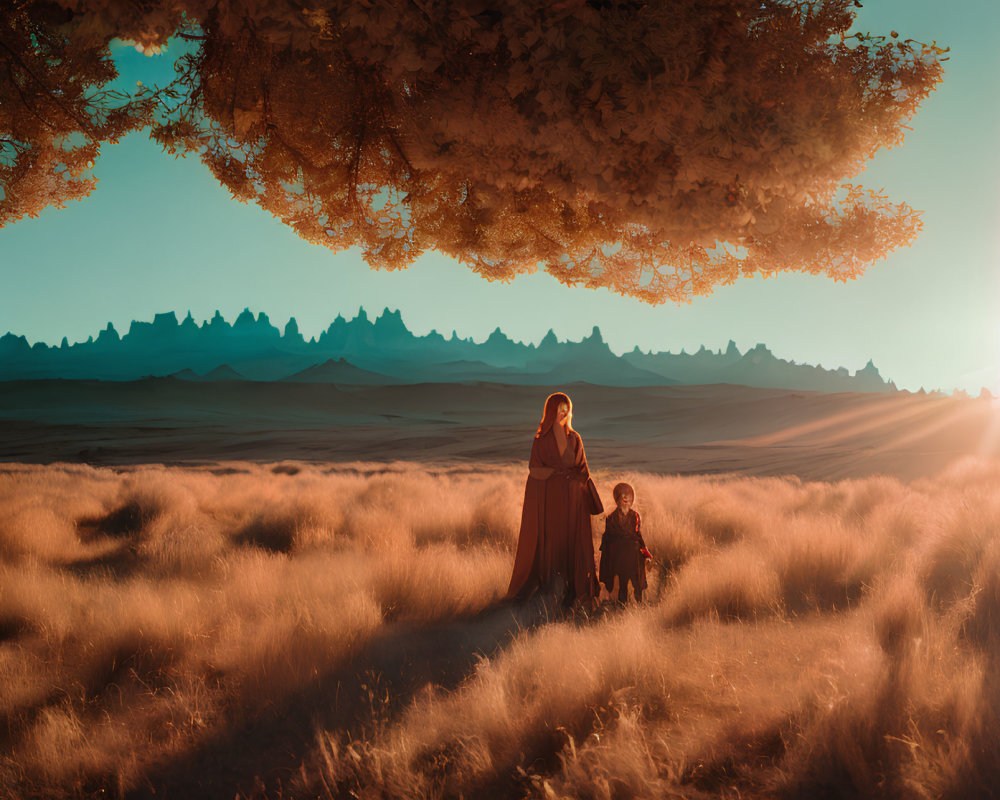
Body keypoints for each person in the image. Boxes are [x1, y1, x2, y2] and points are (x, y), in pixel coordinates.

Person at [506, 392, 599, 607]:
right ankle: (552, 590)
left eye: (566, 409)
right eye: (559, 409)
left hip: (575, 501)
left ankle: (577, 592)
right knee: (554, 543)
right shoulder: (541, 440)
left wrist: (576, 478)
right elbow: (534, 469)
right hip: (553, 501)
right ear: (551, 411)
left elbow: (584, 470)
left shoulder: (575, 438)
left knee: (574, 543)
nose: (563, 413)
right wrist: (555, 474)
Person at [598, 482, 652, 604]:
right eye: (622, 495)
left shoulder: (635, 516)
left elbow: (638, 535)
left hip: (633, 556)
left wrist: (646, 553)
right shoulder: (611, 518)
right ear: (617, 499)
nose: (625, 498)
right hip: (620, 557)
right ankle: (622, 609)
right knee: (622, 585)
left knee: (637, 584)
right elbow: (607, 538)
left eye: (628, 495)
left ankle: (640, 607)